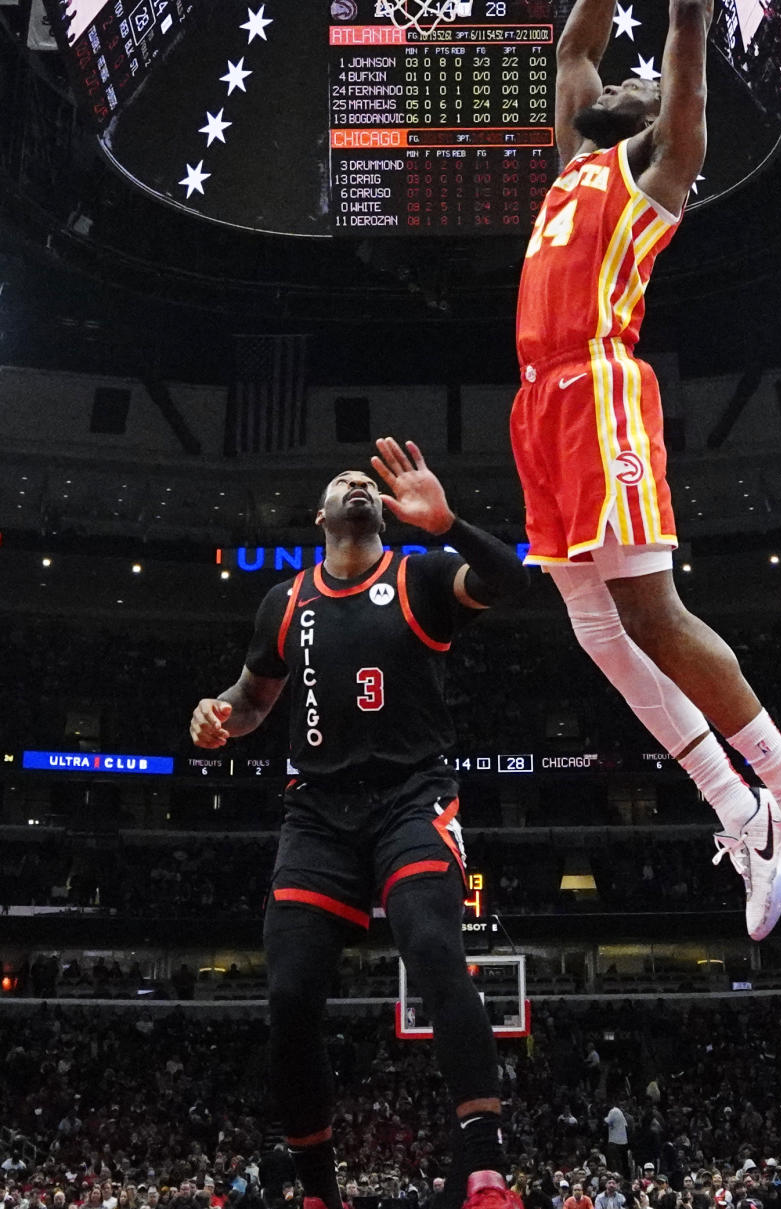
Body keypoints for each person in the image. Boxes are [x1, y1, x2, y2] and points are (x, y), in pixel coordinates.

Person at [509, 0, 781, 942]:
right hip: (539, 402)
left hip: (605, 388)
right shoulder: (574, 161)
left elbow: (686, 25)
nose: (610, 81)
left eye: (634, 82)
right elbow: (571, 50)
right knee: (592, 626)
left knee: (652, 613)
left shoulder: (660, 166)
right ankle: (740, 811)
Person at [189, 439, 528, 1209]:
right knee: (291, 996)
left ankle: (482, 1168)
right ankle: (319, 1192)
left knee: (437, 946)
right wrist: (215, 716)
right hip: (316, 815)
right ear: (320, 518)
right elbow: (251, 701)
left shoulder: (421, 574)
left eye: (364, 483)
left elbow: (509, 579)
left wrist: (448, 524)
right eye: (343, 480)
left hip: (411, 795)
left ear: (380, 512)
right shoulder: (284, 601)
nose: (357, 484)